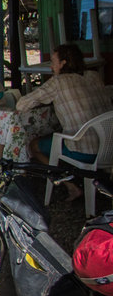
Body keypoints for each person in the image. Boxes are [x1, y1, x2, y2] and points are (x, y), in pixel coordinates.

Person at [16, 43, 113, 200]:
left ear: (63, 63)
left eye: (53, 62)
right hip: (109, 147)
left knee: (34, 145)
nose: (51, 67)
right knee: (58, 136)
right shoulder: (94, 76)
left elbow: (21, 104)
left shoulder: (59, 82)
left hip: (85, 151)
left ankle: (70, 186)